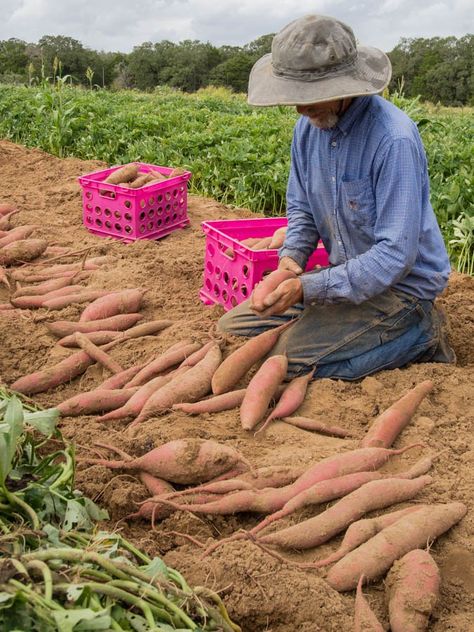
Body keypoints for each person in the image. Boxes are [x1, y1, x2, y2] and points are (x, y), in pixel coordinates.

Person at [217, 14, 455, 380]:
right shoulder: (307, 129)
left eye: (308, 97)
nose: (299, 108)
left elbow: (394, 257)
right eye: (294, 97)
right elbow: (301, 209)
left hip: (400, 290)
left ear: (344, 86)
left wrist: (307, 289)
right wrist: (290, 263)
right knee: (231, 330)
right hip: (345, 279)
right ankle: (333, 331)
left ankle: (420, 334)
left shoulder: (394, 140)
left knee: (287, 362)